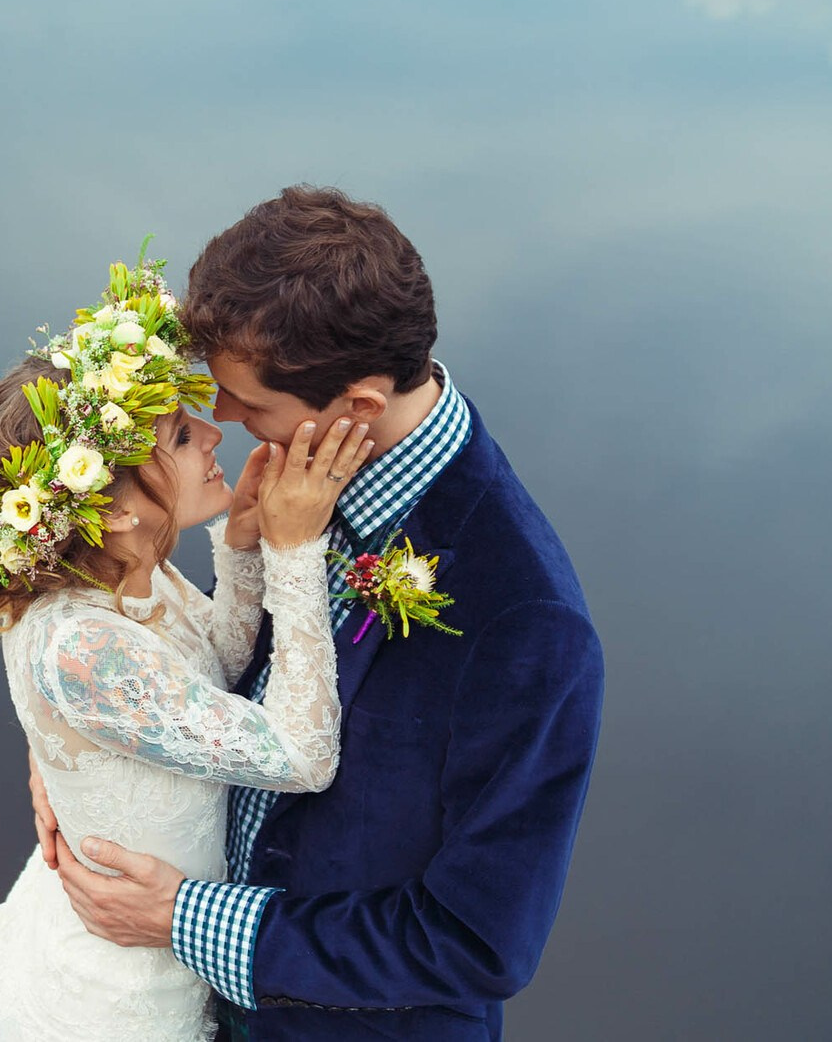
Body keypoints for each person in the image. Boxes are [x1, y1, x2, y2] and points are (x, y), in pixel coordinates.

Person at [32, 187, 604, 1042]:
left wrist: (188, 920)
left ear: (360, 404)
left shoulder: (525, 621)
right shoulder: (303, 456)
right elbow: (207, 680)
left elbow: (475, 942)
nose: (221, 420)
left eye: (248, 402)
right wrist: (83, 755)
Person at [0, 251, 373, 1042]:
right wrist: (295, 551)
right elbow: (305, 755)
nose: (213, 431)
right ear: (115, 511)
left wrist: (239, 550)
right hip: (120, 1004)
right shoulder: (85, 651)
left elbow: (213, 670)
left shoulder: (129, 568)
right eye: (177, 432)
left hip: (163, 940)